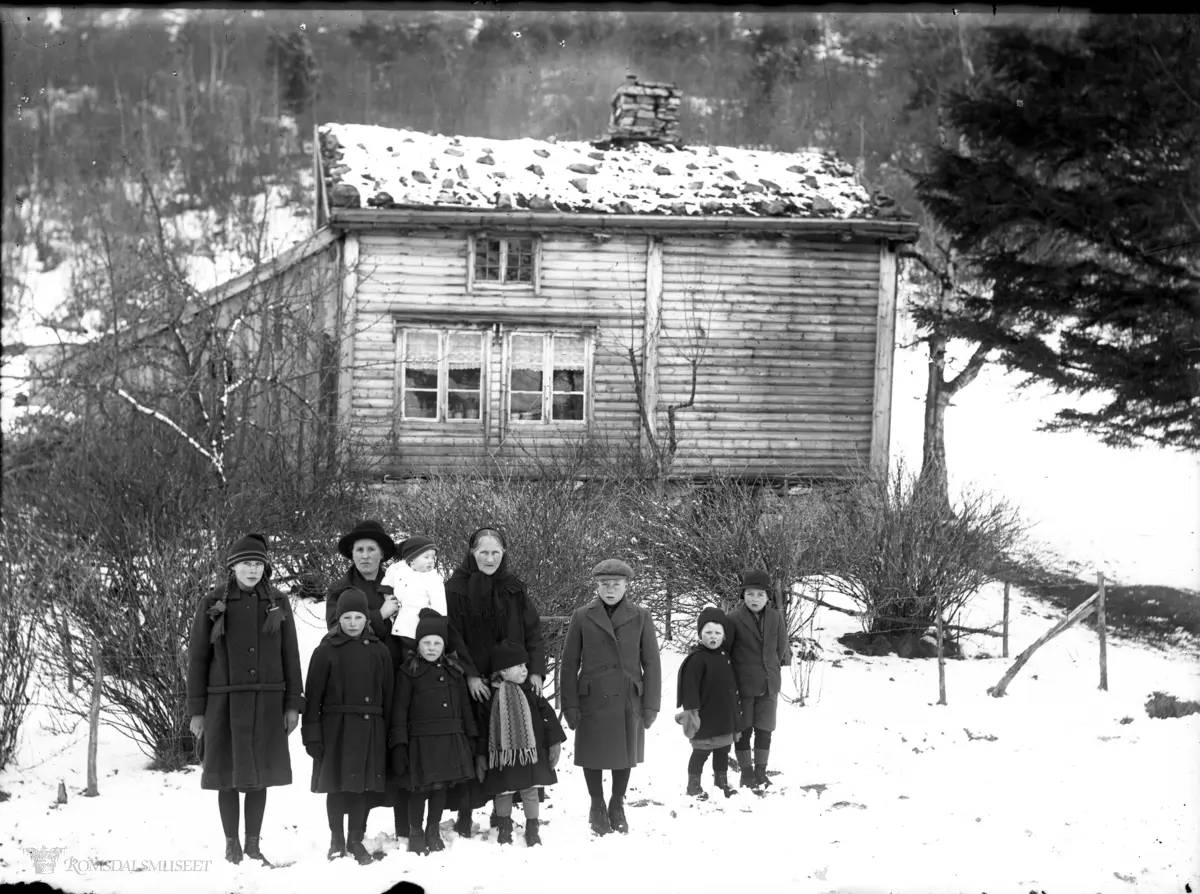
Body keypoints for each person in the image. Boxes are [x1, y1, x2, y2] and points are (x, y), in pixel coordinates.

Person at [187, 534, 304, 866]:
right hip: (222, 706)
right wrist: (197, 711)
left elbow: (290, 655)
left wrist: (293, 704)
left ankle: (253, 845)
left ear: (265, 567)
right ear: (233, 567)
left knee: (258, 776)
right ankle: (231, 845)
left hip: (267, 704)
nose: (252, 570)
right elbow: (198, 658)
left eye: (258, 564)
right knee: (226, 774)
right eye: (245, 564)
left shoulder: (278, 601)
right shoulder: (213, 601)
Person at [443, 527, 545, 837]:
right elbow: (452, 634)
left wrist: (536, 670)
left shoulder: (514, 589)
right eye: (483, 552)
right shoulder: (454, 589)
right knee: (477, 746)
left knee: (512, 741)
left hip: (513, 679)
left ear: (504, 554)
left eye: (496, 553)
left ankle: (508, 812)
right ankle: (464, 812)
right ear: (471, 553)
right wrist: (471, 674)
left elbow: (532, 631)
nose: (490, 558)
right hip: (474, 682)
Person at [560, 558, 662, 837]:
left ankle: (617, 803)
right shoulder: (582, 615)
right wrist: (569, 703)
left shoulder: (641, 616)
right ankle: (596, 804)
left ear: (626, 585)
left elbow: (651, 662)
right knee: (593, 755)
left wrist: (651, 704)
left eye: (615, 584)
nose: (609, 589)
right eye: (604, 584)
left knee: (624, 755)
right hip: (592, 697)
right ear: (597, 585)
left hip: (627, 697)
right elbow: (569, 663)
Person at [325, 520, 411, 841]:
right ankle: (345, 836)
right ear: (351, 554)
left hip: (396, 680)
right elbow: (337, 628)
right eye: (358, 549)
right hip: (356, 685)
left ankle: (404, 829)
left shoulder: (397, 584)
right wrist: (380, 613)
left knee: (398, 750)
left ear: (382, 554)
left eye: (371, 549)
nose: (364, 555)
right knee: (354, 761)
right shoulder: (340, 589)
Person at [303, 587, 395, 865]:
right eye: (347, 618)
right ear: (338, 620)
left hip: (370, 729)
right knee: (336, 787)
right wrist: (312, 736)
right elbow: (313, 697)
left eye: (358, 617)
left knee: (359, 789)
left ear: (367, 618)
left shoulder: (380, 650)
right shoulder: (326, 650)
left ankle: (355, 838)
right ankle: (336, 840)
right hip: (335, 731)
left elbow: (389, 696)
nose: (353, 623)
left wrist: (390, 734)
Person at [391, 608, 479, 856]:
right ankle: (416, 831)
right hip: (420, 740)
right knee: (419, 789)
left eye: (437, 643)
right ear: (418, 645)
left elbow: (465, 708)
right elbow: (399, 710)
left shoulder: (454, 671)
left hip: (450, 739)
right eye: (426, 643)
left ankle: (432, 829)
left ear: (444, 645)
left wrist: (471, 737)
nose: (431, 648)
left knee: (440, 788)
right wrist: (399, 744)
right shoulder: (408, 671)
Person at [474, 640, 566, 847]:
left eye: (526, 665)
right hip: (501, 756)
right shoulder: (490, 698)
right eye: (520, 666)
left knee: (530, 791)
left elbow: (548, 717)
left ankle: (532, 827)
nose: (525, 670)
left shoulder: (531, 692)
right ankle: (504, 827)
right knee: (503, 792)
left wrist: (554, 742)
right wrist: (481, 755)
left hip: (531, 755)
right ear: (503, 671)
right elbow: (482, 729)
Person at [727, 569, 791, 789]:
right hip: (743, 685)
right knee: (744, 729)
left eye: (760, 595)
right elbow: (728, 651)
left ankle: (760, 772)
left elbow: (780, 646)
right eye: (750, 594)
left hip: (769, 684)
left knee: (765, 729)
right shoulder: (734, 618)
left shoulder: (775, 617)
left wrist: (770, 667)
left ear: (768, 597)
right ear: (743, 595)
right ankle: (745, 774)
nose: (755, 599)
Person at [676, 604, 742, 801]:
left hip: (724, 716)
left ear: (723, 635)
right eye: (708, 632)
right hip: (704, 716)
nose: (713, 637)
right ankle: (693, 786)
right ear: (700, 634)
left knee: (722, 751)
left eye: (717, 633)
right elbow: (689, 688)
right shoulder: (696, 659)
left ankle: (721, 784)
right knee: (701, 753)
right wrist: (692, 712)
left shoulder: (725, 657)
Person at [382, 535, 447, 661]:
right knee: (401, 656)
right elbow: (387, 584)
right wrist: (388, 598)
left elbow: (439, 605)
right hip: (400, 626)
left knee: (418, 656)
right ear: (412, 560)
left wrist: (440, 625)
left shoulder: (433, 579)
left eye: (433, 558)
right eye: (426, 557)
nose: (430, 561)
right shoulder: (399, 571)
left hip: (420, 628)